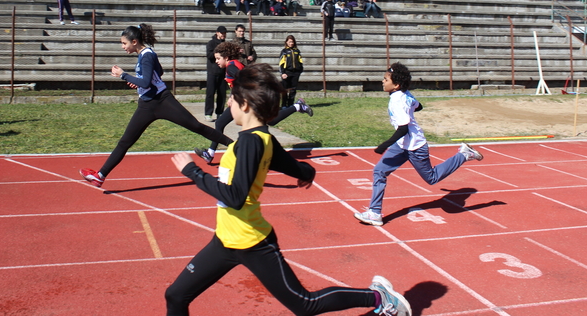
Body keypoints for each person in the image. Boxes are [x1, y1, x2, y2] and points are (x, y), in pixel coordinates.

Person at [167, 63, 409, 316]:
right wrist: (306, 174)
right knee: (175, 296)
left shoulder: (251, 142)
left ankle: (379, 296)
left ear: (246, 105)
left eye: (232, 100)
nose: (229, 104)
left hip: (251, 242)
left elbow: (236, 197)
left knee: (305, 304)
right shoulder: (263, 138)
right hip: (225, 240)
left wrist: (192, 172)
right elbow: (294, 167)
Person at [80, 24, 231, 188]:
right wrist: (137, 82)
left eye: (124, 43)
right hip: (146, 105)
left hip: (162, 101)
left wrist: (123, 75)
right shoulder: (145, 54)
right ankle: (100, 176)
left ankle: (236, 147)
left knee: (196, 126)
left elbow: (146, 81)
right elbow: (157, 73)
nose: (123, 47)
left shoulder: (147, 55)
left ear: (135, 41)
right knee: (125, 141)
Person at [354, 63, 483, 227]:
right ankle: (375, 213)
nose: (382, 81)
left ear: (396, 84)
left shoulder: (398, 101)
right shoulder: (405, 94)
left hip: (415, 146)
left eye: (386, 79)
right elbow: (419, 106)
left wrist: (384, 145)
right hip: (402, 145)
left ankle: (464, 154)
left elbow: (402, 129)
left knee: (432, 178)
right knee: (379, 171)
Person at [194, 43, 313, 164]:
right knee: (221, 122)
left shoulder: (231, 66)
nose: (216, 61)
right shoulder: (233, 64)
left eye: (218, 58)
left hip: (248, 100)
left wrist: (234, 95)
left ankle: (297, 106)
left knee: (267, 122)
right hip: (244, 99)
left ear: (226, 57)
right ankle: (210, 153)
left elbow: (242, 79)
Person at [205, 26, 228, 122]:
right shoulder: (211, 43)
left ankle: (219, 112)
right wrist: (217, 53)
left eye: (224, 33)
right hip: (212, 71)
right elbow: (209, 55)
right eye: (221, 33)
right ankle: (208, 113)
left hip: (223, 72)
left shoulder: (226, 44)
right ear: (217, 33)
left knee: (222, 93)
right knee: (210, 93)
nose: (223, 35)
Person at [278, 35, 304, 108]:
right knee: (285, 90)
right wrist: (282, 73)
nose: (291, 43)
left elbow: (300, 61)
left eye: (292, 42)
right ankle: (284, 105)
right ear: (286, 42)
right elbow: (281, 63)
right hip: (286, 72)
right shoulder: (284, 51)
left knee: (293, 90)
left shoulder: (297, 51)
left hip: (295, 73)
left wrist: (300, 70)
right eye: (289, 42)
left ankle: (290, 104)